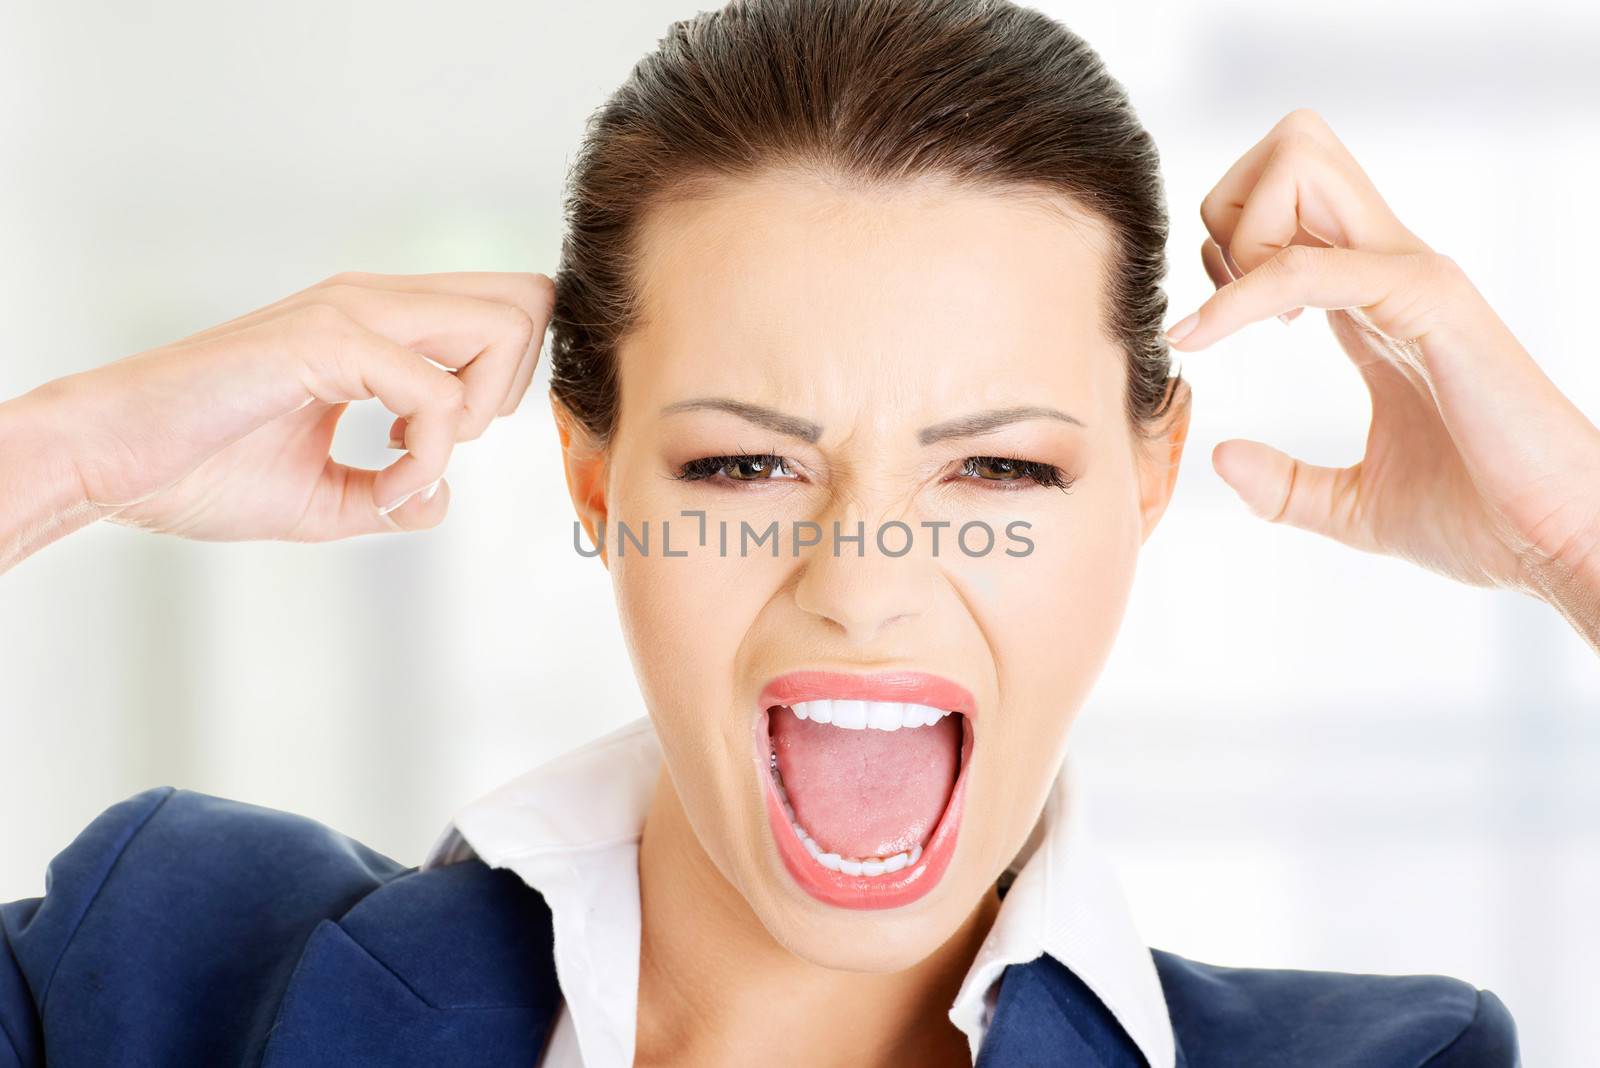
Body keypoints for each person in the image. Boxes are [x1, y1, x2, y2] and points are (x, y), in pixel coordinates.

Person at [2, 0, 1595, 1064]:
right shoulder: (160, 971)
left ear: (1146, 479)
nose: (868, 589)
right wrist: (59, 455)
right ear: (593, 480)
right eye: (745, 472)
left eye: (1001, 476)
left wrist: (1573, 539)